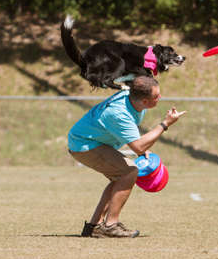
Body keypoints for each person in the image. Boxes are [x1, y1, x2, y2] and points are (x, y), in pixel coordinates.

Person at [68, 75, 186, 238]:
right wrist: (165, 124)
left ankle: (93, 226)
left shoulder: (133, 98)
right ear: (145, 101)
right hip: (84, 145)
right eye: (156, 96)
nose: (160, 98)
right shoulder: (118, 113)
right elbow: (138, 146)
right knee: (129, 171)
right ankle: (110, 226)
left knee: (120, 177)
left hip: (92, 141)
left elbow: (137, 144)